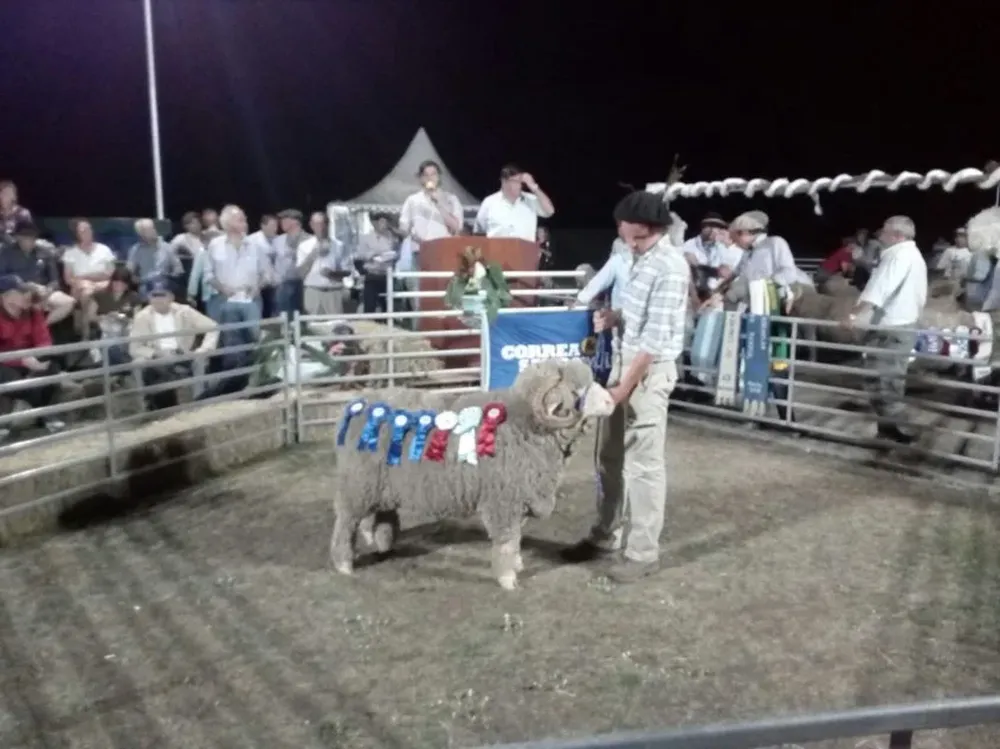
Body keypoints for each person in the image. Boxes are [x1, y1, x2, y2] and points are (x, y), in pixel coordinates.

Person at [560, 191, 689, 583]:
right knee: (609, 457)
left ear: (653, 230)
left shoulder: (671, 267)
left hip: (647, 372)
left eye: (637, 236)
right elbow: (637, 317)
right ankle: (606, 533)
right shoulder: (634, 257)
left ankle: (643, 553)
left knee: (644, 464)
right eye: (625, 234)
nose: (629, 242)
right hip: (622, 363)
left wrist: (622, 390)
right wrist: (615, 317)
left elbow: (653, 340)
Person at [841, 215, 927, 444]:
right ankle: (889, 428)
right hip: (900, 324)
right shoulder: (910, 255)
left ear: (896, 235)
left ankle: (898, 430)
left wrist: (854, 315)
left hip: (891, 327)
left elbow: (880, 289)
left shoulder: (899, 256)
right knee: (885, 379)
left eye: (884, 231)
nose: (880, 235)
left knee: (885, 379)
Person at [129, 277, 218, 410]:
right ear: (148, 297)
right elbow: (134, 348)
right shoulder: (142, 316)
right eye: (154, 295)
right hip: (157, 357)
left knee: (199, 360)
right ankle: (145, 405)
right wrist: (155, 353)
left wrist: (204, 349)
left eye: (162, 295)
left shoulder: (185, 311)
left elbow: (213, 327)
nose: (158, 299)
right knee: (138, 363)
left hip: (182, 355)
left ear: (171, 297)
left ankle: (199, 402)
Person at [0, 275, 66, 442]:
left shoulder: (32, 312)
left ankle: (8, 423)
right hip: (6, 363)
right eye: (20, 292)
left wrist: (41, 356)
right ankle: (45, 414)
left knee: (51, 367)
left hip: (30, 361)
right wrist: (21, 360)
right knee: (9, 378)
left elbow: (44, 339)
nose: (26, 295)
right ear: (6, 296)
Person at [0, 219, 75, 327]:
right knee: (17, 303)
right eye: (26, 237)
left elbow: (54, 280)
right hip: (17, 291)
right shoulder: (6, 252)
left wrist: (48, 291)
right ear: (18, 237)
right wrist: (20, 283)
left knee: (68, 302)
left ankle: (41, 328)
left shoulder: (45, 252)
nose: (30, 241)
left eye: (32, 238)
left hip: (42, 292)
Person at [474, 164, 555, 241]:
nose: (519, 185)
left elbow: (550, 211)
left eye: (520, 182)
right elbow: (479, 229)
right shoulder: (489, 202)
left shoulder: (530, 200)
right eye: (515, 181)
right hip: (496, 250)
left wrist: (534, 187)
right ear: (504, 182)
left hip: (525, 250)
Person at [299, 211, 352, 316]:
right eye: (316, 224)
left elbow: (348, 271)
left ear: (328, 225)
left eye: (323, 223)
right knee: (313, 324)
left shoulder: (339, 246)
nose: (320, 228)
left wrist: (333, 274)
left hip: (333, 292)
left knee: (336, 324)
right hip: (313, 292)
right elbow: (300, 273)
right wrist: (313, 254)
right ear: (311, 225)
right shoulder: (304, 246)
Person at [357, 213, 398, 314]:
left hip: (386, 275)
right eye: (381, 222)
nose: (383, 225)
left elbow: (395, 253)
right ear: (374, 223)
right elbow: (360, 255)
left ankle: (386, 320)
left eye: (385, 222)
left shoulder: (392, 239)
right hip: (372, 274)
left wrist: (389, 255)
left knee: (387, 305)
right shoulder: (365, 238)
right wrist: (373, 254)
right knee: (370, 304)